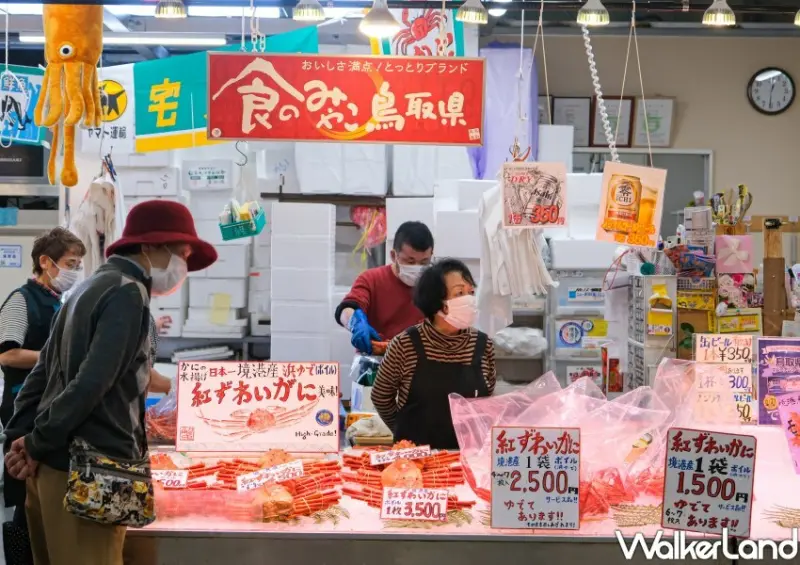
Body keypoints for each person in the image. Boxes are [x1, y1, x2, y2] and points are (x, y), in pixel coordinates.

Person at [3, 200, 216, 565]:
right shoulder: (127, 292)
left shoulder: (88, 287)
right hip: (89, 474)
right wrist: (35, 442)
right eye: (181, 253)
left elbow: (42, 373)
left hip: (53, 470)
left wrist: (22, 439)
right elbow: (91, 383)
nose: (183, 265)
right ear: (150, 246)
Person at [0, 227, 86, 565]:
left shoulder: (58, 302)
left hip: (49, 408)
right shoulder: (21, 300)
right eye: (70, 263)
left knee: (44, 493)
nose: (75, 271)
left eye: (79, 264)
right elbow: (7, 355)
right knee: (24, 495)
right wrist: (57, 356)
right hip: (24, 407)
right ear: (45, 262)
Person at [371, 259, 496, 449]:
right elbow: (381, 396)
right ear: (438, 303)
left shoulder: (483, 344)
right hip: (414, 461)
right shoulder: (405, 344)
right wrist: (403, 432)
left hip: (467, 458)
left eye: (471, 292)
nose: (470, 299)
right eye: (460, 293)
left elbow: (487, 401)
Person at [334, 221, 434, 355]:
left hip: (418, 365)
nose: (417, 267)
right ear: (394, 256)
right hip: (376, 363)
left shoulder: (434, 285)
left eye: (424, 262)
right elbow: (347, 308)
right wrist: (354, 323)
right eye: (410, 262)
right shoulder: (371, 279)